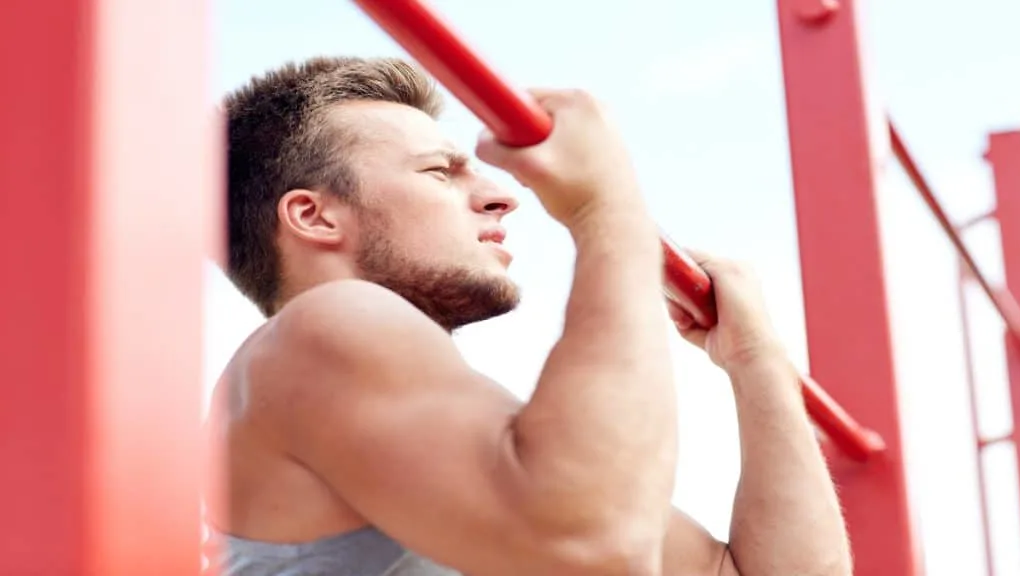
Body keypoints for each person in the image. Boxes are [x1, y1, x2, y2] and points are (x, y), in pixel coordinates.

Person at [202, 56, 852, 576]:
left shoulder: (460, 432)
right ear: (314, 217)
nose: (500, 195)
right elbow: (595, 545)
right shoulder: (323, 325)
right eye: (440, 172)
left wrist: (756, 360)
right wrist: (608, 209)